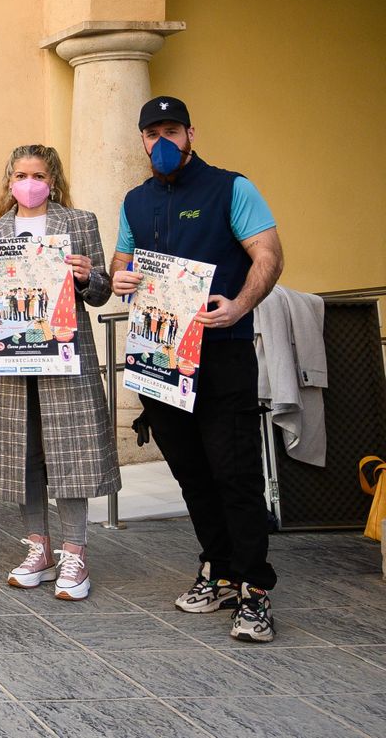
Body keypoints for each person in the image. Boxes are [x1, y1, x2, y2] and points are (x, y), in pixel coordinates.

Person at [111, 96, 283, 642]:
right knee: (189, 470)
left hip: (223, 351)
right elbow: (123, 260)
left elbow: (269, 255)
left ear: (191, 133)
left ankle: (254, 589)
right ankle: (219, 567)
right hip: (160, 357)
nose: (161, 141)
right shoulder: (134, 200)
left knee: (235, 472)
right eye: (151, 132)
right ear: (141, 140)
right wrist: (120, 278)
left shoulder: (231, 188)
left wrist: (240, 304)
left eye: (171, 130)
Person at [0, 145, 120, 601]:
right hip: (16, 356)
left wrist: (86, 275)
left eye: (37, 174)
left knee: (69, 449)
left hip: (66, 352)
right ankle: (39, 547)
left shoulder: (79, 222)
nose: (28, 182)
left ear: (51, 180)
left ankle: (75, 551)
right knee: (25, 451)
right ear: (9, 180)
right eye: (20, 174)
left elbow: (101, 293)